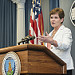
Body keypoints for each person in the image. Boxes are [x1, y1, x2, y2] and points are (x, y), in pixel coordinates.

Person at [38, 8, 74, 75]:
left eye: (56, 18)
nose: (53, 20)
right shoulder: (50, 34)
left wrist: (53, 42)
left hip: (63, 67)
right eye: (51, 17)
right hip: (51, 68)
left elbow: (66, 45)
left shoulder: (66, 31)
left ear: (61, 19)